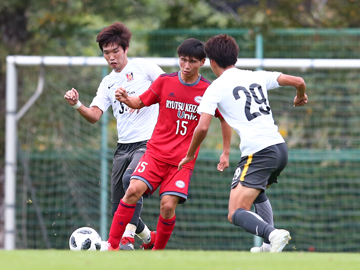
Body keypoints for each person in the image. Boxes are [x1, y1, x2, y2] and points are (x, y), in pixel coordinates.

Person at [178, 34, 308, 253]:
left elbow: (202, 127)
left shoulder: (216, 88)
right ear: (235, 58)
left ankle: (272, 234)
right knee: (257, 192)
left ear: (211, 62)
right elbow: (299, 82)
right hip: (279, 149)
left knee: (235, 212)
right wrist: (300, 96)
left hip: (259, 153)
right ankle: (268, 246)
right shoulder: (257, 76)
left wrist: (190, 154)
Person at [105, 38, 232, 250]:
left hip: (181, 162)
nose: (186, 65)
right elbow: (140, 102)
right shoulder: (165, 81)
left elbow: (224, 118)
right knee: (133, 189)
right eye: (183, 60)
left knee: (167, 206)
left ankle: (157, 253)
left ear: (202, 62)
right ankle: (111, 245)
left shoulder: (209, 90)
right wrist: (126, 98)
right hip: (155, 154)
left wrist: (226, 152)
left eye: (192, 61)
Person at [64, 22, 164, 250]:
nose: (111, 57)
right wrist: (77, 104)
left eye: (115, 51)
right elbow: (94, 115)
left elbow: (168, 88)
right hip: (123, 148)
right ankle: (150, 238)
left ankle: (124, 239)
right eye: (106, 53)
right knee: (118, 209)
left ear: (126, 49)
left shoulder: (144, 68)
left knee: (132, 181)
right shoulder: (107, 82)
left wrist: (139, 100)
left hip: (149, 143)